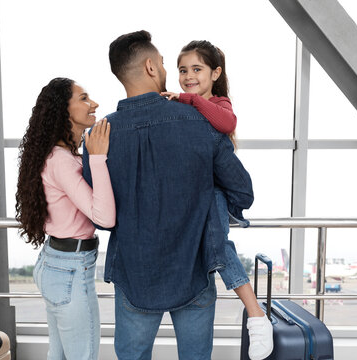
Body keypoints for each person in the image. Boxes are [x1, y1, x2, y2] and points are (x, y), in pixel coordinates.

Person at [82, 30, 253, 360]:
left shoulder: (100, 136)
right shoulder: (200, 123)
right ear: (149, 67)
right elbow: (243, 192)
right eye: (162, 63)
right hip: (194, 268)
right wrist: (209, 205)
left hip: (135, 274)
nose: (165, 70)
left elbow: (101, 214)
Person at [161, 40, 274, 360]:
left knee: (218, 244)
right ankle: (253, 312)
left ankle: (256, 316)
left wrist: (189, 99)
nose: (188, 76)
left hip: (215, 192)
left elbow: (227, 123)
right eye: (183, 70)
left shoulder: (218, 102)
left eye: (197, 69)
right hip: (189, 193)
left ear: (215, 72)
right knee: (213, 245)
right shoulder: (180, 105)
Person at [15, 77, 115, 360]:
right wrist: (98, 158)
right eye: (83, 98)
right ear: (63, 109)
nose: (93, 103)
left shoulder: (60, 155)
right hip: (70, 270)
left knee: (58, 356)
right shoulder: (62, 160)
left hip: (57, 264)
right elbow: (104, 217)